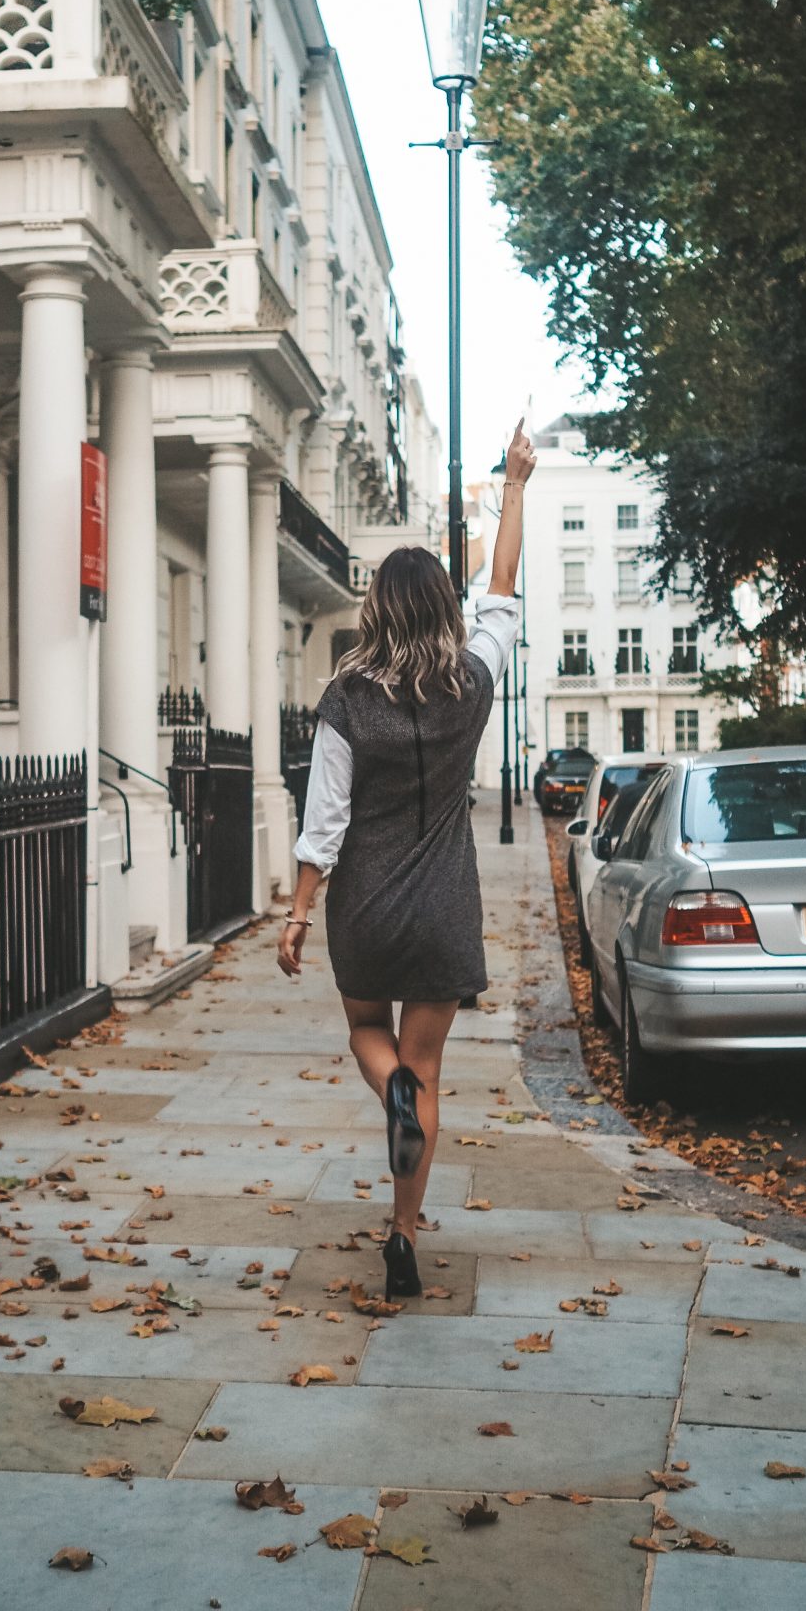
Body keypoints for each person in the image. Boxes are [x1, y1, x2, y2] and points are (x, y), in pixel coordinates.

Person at [277, 418, 537, 1299]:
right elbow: (501, 593)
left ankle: (383, 1086)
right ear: (444, 614)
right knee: (430, 1073)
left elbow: (325, 821)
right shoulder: (474, 679)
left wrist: (299, 911)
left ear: (376, 610)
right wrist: (514, 487)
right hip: (444, 906)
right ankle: (402, 1236)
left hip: (365, 909)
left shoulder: (346, 697)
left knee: (367, 1030)